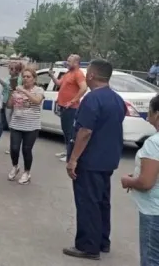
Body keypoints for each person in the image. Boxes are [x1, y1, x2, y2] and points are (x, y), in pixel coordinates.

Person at [63, 59, 126, 260]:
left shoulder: (92, 99)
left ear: (91, 75)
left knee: (87, 201)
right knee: (102, 201)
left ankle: (88, 246)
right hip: (108, 159)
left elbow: (85, 131)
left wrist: (73, 159)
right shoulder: (117, 99)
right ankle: (101, 240)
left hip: (91, 160)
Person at [121, 94, 159, 266]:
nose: (147, 116)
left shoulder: (154, 143)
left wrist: (129, 181)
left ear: (156, 114)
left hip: (154, 211)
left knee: (151, 259)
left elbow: (146, 183)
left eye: (148, 112)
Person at [6, 66, 44, 185]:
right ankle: (15, 166)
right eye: (24, 77)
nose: (26, 79)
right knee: (14, 148)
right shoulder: (18, 89)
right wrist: (12, 95)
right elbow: (9, 106)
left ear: (34, 78)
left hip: (31, 125)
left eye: (29, 77)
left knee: (27, 150)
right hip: (16, 123)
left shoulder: (39, 90)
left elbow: (37, 101)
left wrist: (24, 91)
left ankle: (27, 172)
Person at [49, 54, 88, 162]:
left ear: (76, 63)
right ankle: (67, 150)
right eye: (67, 61)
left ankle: (70, 154)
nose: (67, 63)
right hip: (63, 106)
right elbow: (58, 83)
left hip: (71, 108)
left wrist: (72, 101)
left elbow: (84, 88)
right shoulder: (68, 73)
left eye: (69, 61)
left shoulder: (78, 74)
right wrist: (52, 76)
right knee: (66, 130)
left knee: (70, 131)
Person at [0, 61, 23, 151]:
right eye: (10, 68)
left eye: (12, 69)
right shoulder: (9, 77)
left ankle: (13, 146)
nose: (10, 70)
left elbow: (10, 88)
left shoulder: (18, 79)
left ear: (17, 71)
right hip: (3, 102)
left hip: (10, 104)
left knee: (11, 126)